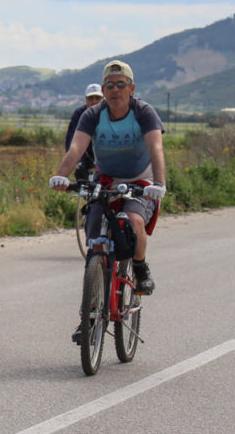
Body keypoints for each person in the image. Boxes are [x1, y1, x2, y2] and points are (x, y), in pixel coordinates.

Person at [50, 60, 166, 294]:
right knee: (94, 230)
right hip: (106, 179)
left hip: (140, 179)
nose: (115, 90)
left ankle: (140, 267)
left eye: (121, 85)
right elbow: (76, 148)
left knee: (134, 220)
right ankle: (91, 312)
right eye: (110, 86)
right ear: (103, 90)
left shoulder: (143, 112)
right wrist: (61, 175)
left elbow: (156, 149)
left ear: (131, 89)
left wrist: (159, 183)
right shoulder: (93, 115)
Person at [63, 83, 103, 182]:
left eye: (97, 98)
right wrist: (77, 162)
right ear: (86, 99)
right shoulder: (79, 114)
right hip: (85, 155)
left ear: (103, 98)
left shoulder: (109, 113)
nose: (94, 101)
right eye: (90, 98)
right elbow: (71, 139)